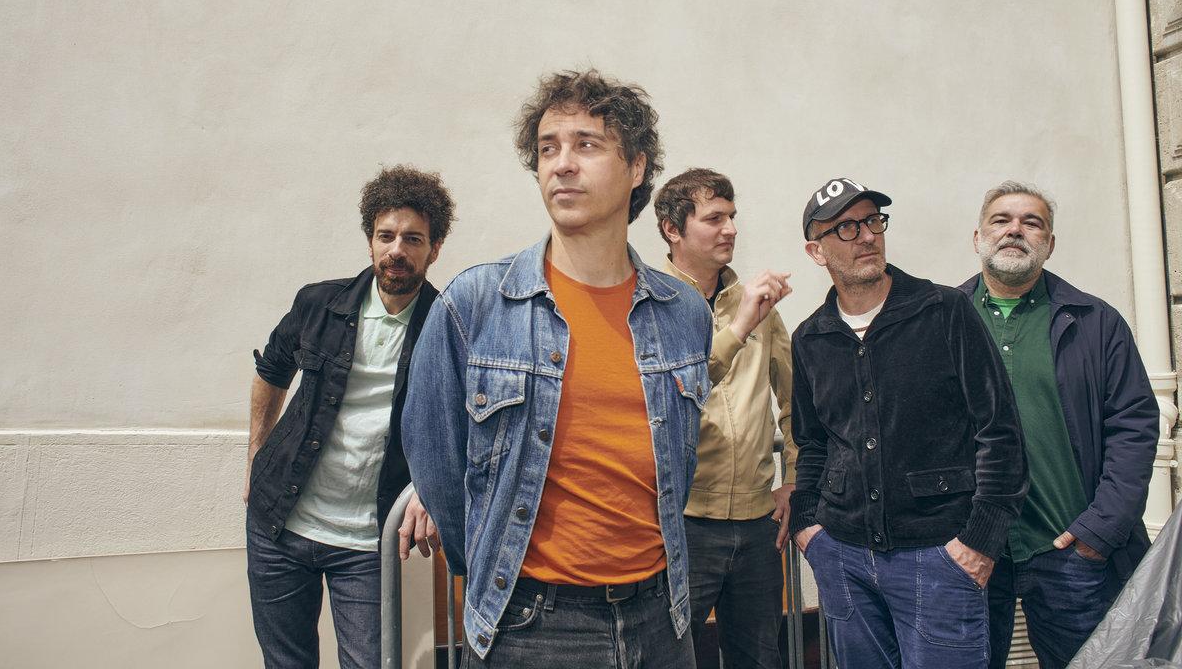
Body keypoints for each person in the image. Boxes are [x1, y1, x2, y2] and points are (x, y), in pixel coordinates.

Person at [403, 69, 719, 668]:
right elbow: (434, 459)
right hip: (528, 628)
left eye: (586, 144)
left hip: (662, 620)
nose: (562, 164)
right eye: (548, 149)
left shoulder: (683, 313)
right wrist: (488, 564)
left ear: (637, 168)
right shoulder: (476, 305)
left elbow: (679, 462)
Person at [788, 177, 1028, 669]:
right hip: (844, 556)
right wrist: (808, 526)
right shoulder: (811, 338)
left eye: (873, 221)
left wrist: (980, 542)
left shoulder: (943, 311)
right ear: (817, 251)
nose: (867, 236)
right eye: (846, 228)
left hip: (941, 555)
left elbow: (999, 432)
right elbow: (812, 443)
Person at [245, 165, 455, 669]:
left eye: (413, 239)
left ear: (434, 249)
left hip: (367, 542)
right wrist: (255, 453)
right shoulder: (318, 303)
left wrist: (430, 489)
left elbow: (460, 420)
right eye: (386, 236)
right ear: (370, 241)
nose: (397, 250)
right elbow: (271, 371)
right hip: (279, 525)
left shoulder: (448, 324)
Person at [961, 180, 1158, 669]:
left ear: (1049, 244)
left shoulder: (1096, 322)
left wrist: (1100, 530)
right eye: (1001, 220)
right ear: (978, 237)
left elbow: (1134, 429)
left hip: (1070, 549)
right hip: (972, 549)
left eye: (1032, 223)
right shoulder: (944, 319)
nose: (1015, 230)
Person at [654, 168, 794, 668]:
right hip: (683, 523)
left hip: (758, 525)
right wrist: (739, 326)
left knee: (760, 659)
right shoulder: (651, 304)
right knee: (673, 658)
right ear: (673, 229)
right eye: (714, 219)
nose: (730, 229)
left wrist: (794, 479)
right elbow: (672, 392)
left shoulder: (760, 305)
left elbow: (796, 401)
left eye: (732, 217)